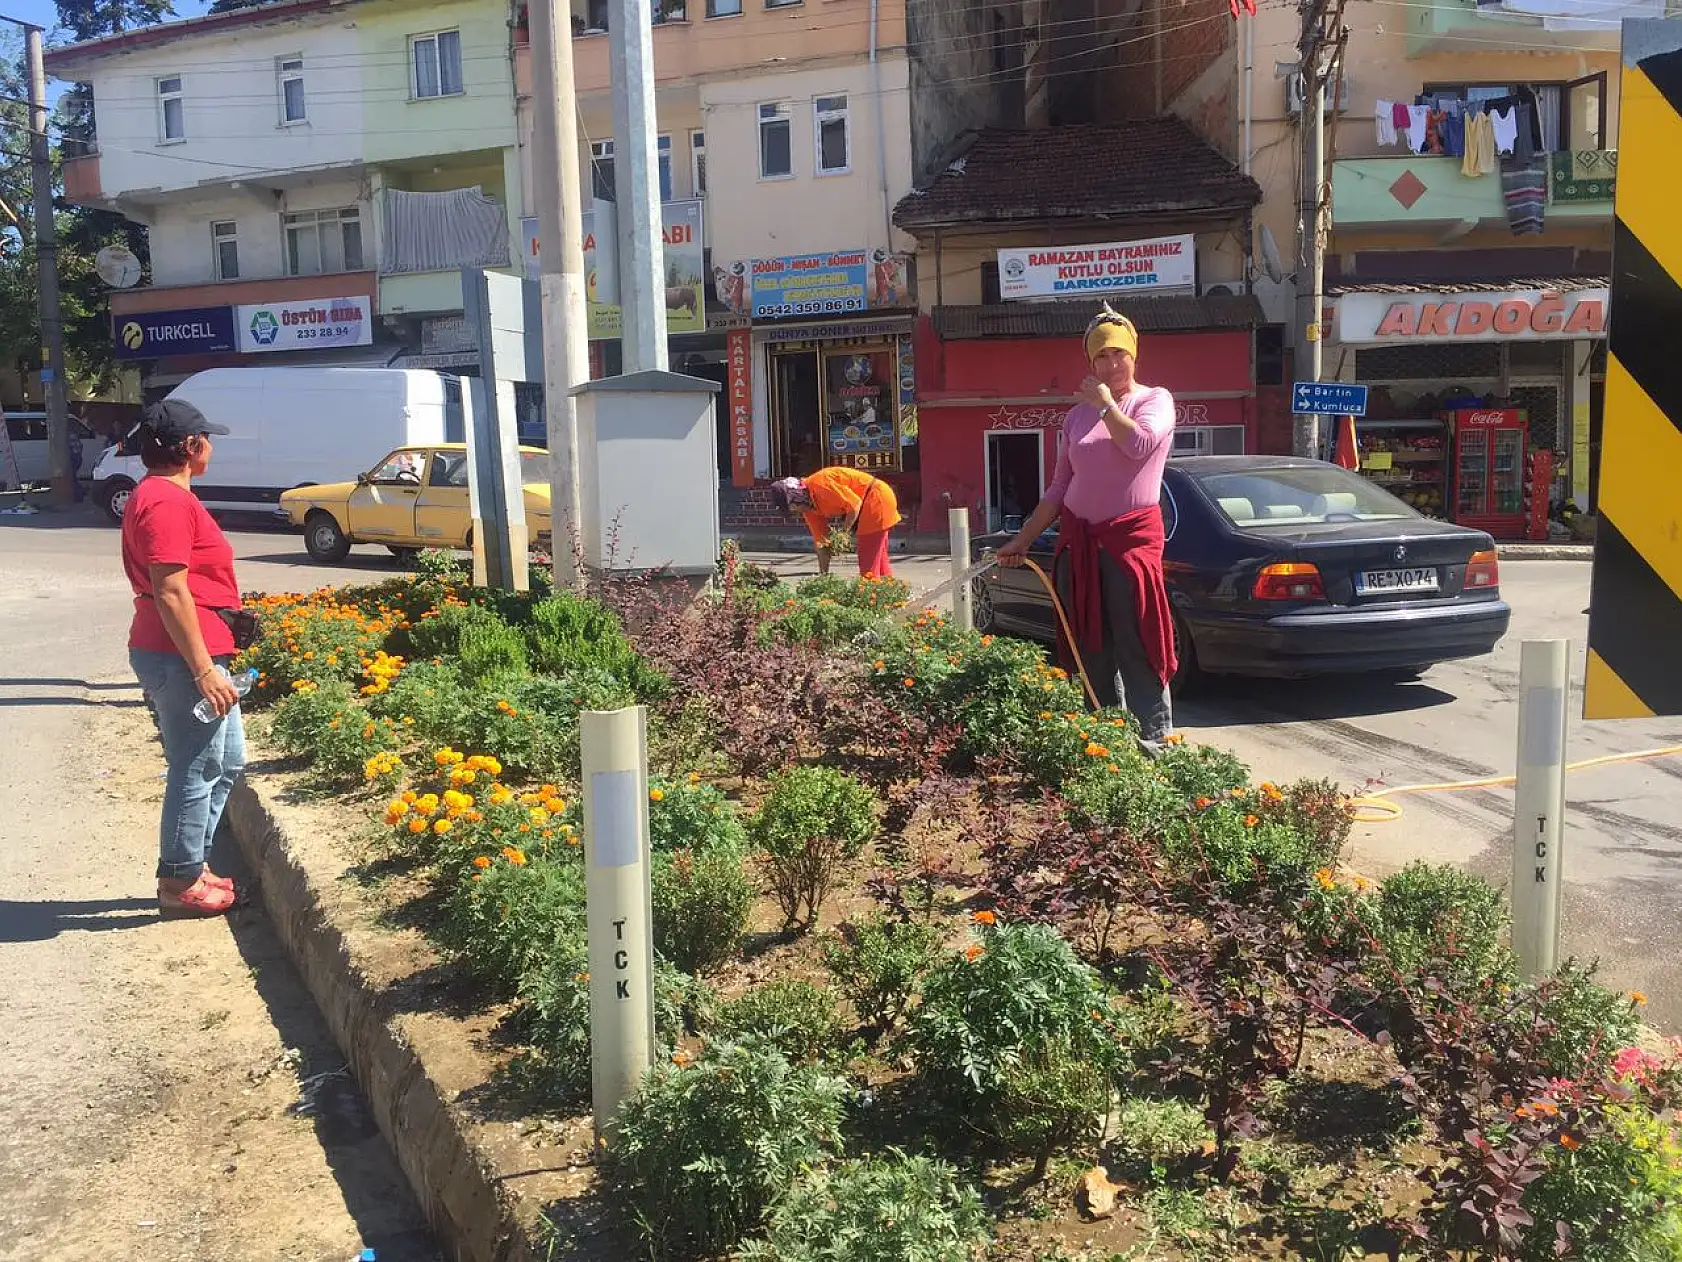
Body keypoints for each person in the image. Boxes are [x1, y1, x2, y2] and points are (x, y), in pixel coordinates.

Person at [994, 304, 1178, 748]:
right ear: (1091, 363)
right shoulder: (1075, 417)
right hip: (1079, 543)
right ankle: (1103, 742)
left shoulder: (1154, 400)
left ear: (1134, 355)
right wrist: (1022, 540)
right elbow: (1059, 488)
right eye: (1101, 357)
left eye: (1119, 354)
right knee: (1089, 648)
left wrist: (1107, 405)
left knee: (1139, 644)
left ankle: (1155, 745)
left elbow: (1138, 444)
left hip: (1130, 542)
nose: (1112, 365)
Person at [122, 399, 246, 918]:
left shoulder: (164, 496)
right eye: (206, 438)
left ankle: (192, 861)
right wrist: (203, 670)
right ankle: (179, 880)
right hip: (180, 656)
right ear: (192, 446)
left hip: (193, 648)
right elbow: (170, 590)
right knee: (195, 766)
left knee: (226, 760)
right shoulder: (166, 502)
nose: (211, 446)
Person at [771, 466, 901, 579]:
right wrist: (824, 575)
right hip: (871, 501)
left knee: (868, 557)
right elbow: (822, 543)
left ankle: (872, 593)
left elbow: (854, 505)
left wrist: (842, 534)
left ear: (796, 496)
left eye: (792, 508)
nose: (795, 512)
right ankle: (888, 589)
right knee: (878, 557)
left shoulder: (820, 483)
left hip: (875, 497)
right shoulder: (808, 509)